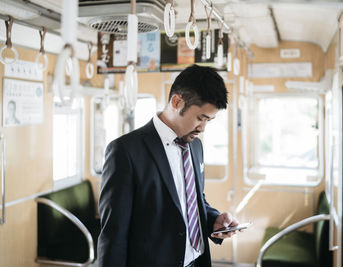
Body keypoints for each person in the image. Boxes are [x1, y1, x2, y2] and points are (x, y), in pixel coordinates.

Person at [98, 64, 239, 267]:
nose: (203, 128)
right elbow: (114, 234)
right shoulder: (125, 151)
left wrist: (213, 220)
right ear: (177, 102)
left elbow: (191, 200)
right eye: (201, 118)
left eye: (209, 120)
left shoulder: (196, 146)